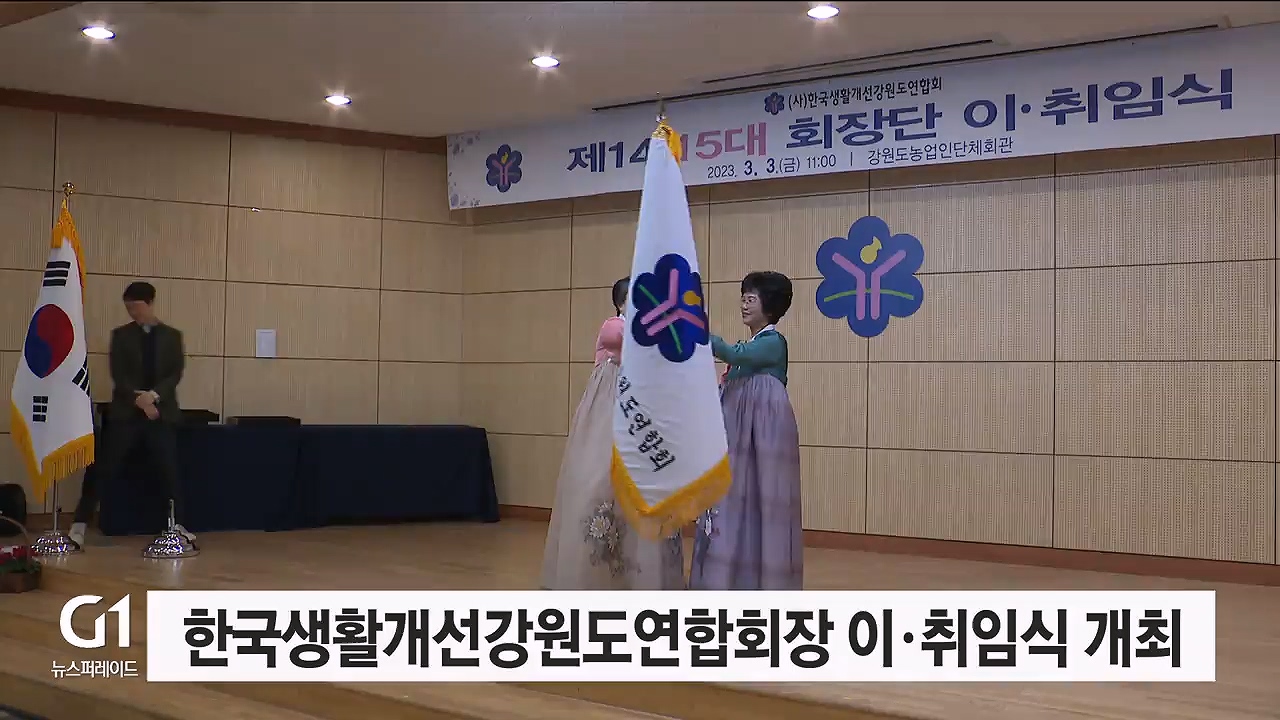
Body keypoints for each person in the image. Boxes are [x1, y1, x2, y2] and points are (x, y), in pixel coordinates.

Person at [540, 277, 685, 590]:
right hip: (608, 408)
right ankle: (595, 574)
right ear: (620, 303)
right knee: (598, 477)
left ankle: (643, 573)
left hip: (640, 407)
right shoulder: (613, 326)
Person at [690, 271, 802, 590]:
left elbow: (735, 354)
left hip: (760, 435)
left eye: (751, 298)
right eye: (743, 297)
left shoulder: (773, 343)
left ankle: (754, 581)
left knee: (758, 499)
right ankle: (733, 579)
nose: (744, 304)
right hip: (741, 434)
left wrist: (699, 332)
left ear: (770, 305)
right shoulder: (752, 346)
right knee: (735, 502)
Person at [70, 281, 195, 549]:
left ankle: (176, 525)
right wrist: (140, 400)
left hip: (160, 413)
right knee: (103, 468)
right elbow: (119, 375)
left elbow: (174, 373)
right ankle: (79, 523)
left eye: (137, 307)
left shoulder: (172, 336)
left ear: (150, 303)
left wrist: (154, 396)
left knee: (169, 471)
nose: (133, 313)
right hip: (126, 414)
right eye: (128, 308)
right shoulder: (121, 336)